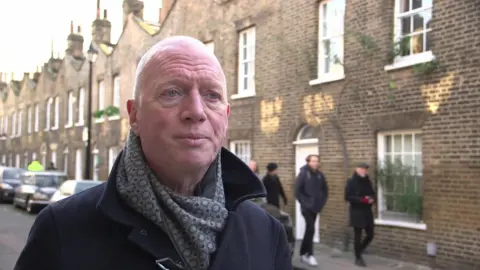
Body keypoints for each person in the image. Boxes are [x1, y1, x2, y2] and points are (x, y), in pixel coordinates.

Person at [14, 36, 292, 270]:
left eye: (212, 96)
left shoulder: (266, 234)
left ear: (226, 117)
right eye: (172, 92)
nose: (196, 111)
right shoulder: (63, 231)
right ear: (134, 115)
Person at [294, 154, 329, 266]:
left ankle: (302, 253)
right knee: (311, 229)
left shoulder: (320, 175)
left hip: (316, 207)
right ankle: (310, 255)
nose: (315, 163)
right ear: (308, 162)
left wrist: (321, 202)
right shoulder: (303, 174)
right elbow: (297, 191)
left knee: (309, 230)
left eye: (317, 161)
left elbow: (325, 190)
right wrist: (305, 203)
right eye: (313, 161)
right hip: (306, 208)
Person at [344, 162, 375, 267]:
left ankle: (359, 250)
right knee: (358, 235)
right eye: (362, 169)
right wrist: (362, 199)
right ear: (357, 169)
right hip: (357, 211)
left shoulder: (368, 181)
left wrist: (372, 199)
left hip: (367, 211)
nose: (364, 171)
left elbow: (372, 193)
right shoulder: (351, 181)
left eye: (365, 169)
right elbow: (347, 197)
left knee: (370, 234)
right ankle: (358, 258)